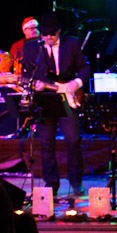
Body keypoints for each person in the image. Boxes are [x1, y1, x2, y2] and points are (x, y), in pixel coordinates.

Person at [22, 12, 91, 196]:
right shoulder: (31, 47)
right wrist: (34, 84)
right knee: (46, 143)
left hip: (68, 97)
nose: (48, 38)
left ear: (59, 31)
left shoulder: (72, 44)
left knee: (73, 140)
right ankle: (51, 183)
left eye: (52, 34)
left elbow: (85, 68)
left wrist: (75, 83)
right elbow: (26, 73)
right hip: (45, 99)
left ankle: (75, 181)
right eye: (45, 34)